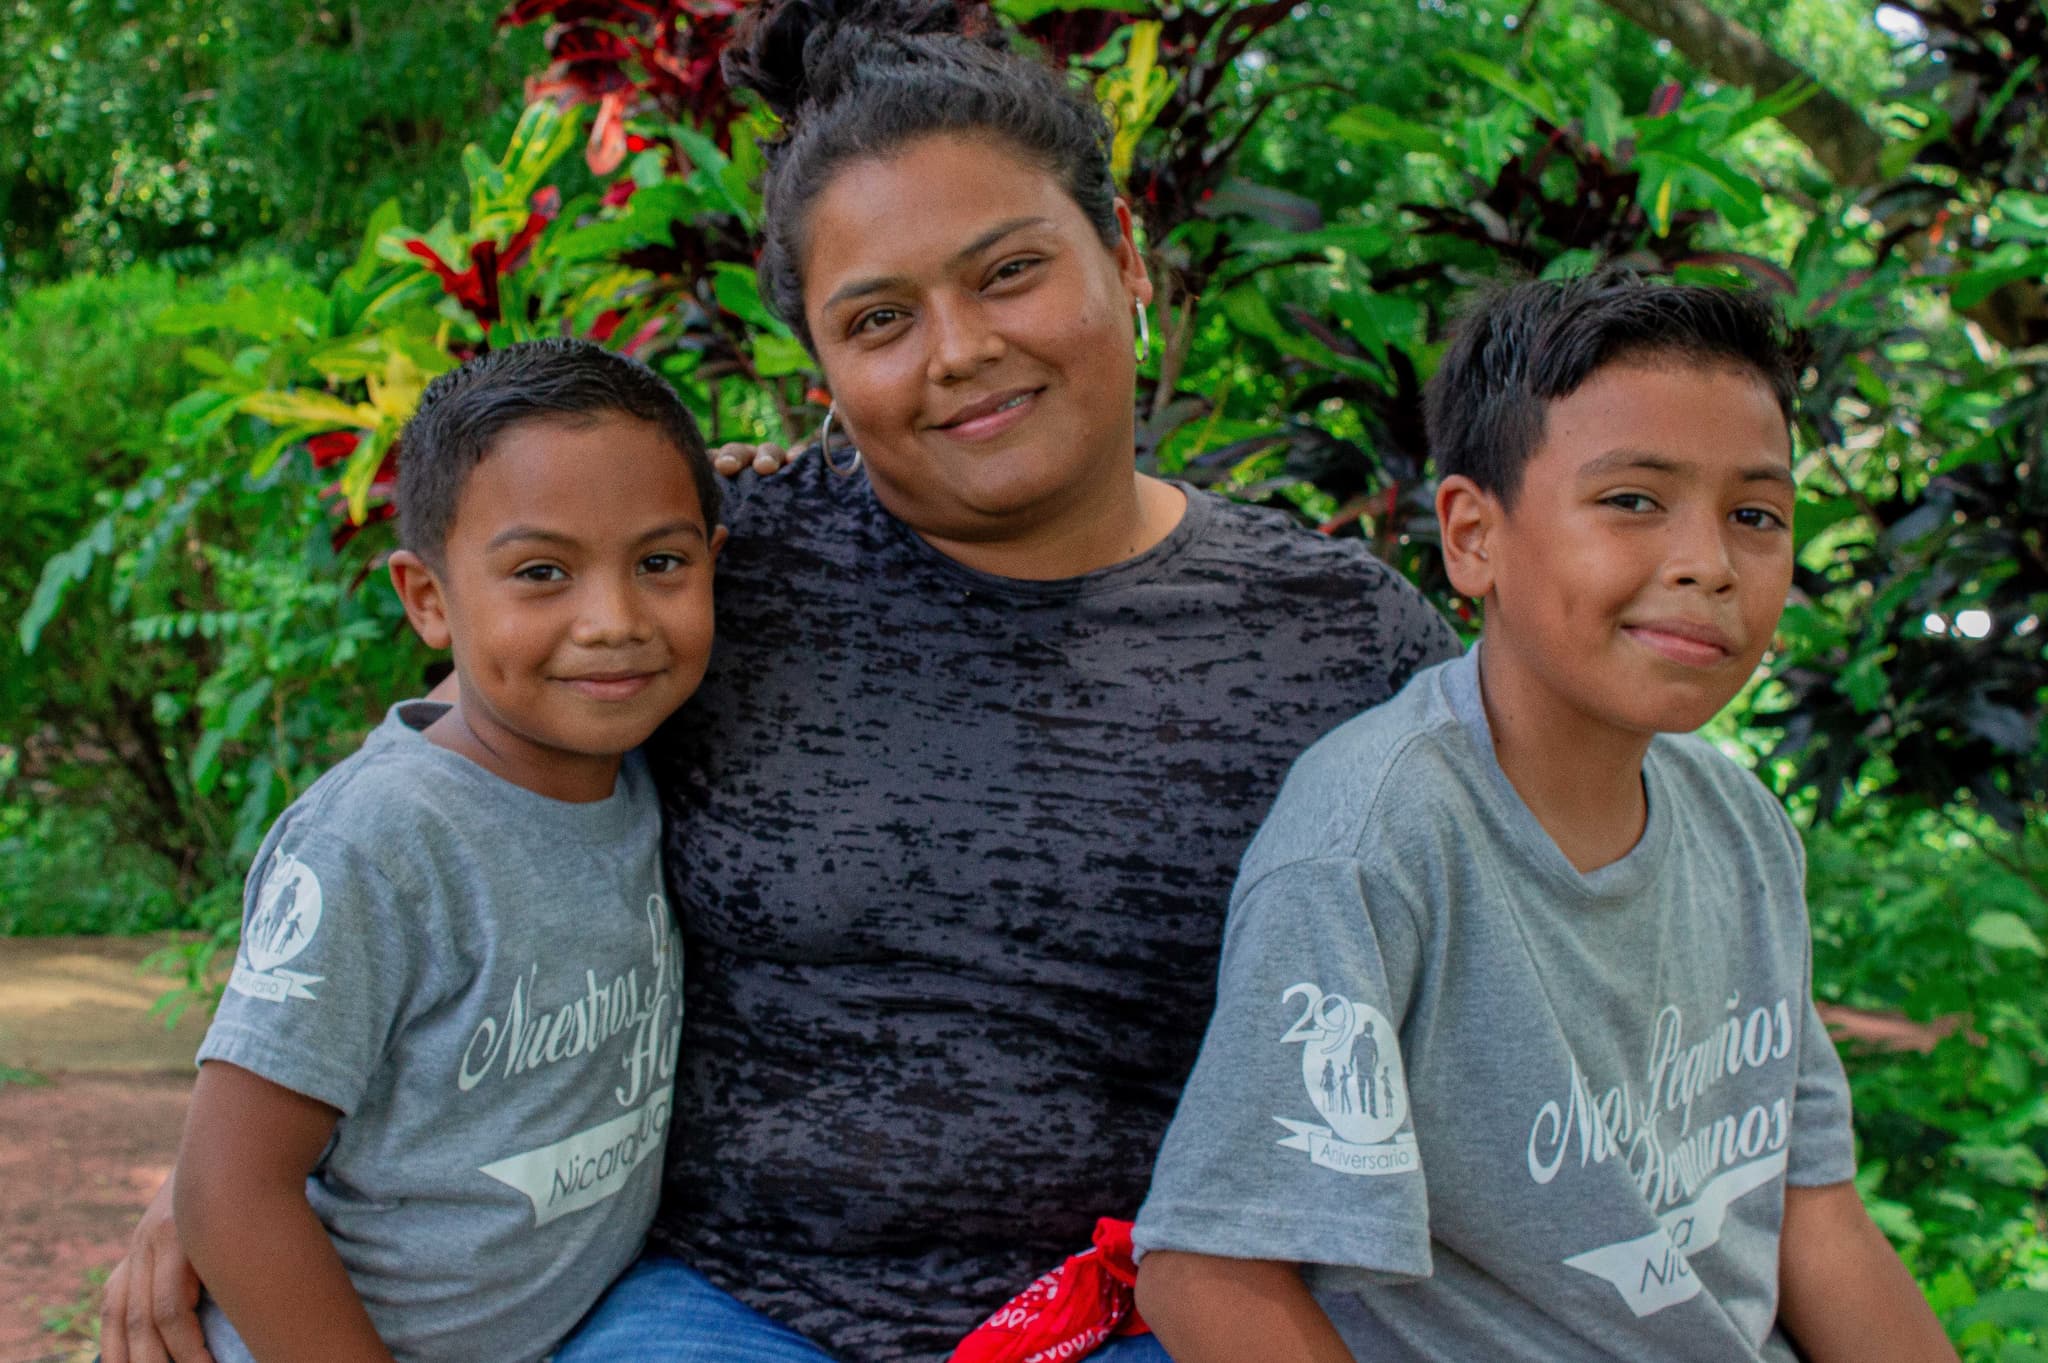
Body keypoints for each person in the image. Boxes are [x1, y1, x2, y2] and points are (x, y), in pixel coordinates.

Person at [99, 2, 1457, 1360]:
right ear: (819, 359)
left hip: (1136, 1309)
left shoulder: (1339, 641)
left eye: (1009, 273)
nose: (959, 349)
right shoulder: (709, 581)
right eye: (879, 317)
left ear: (1124, 256)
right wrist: (243, 1168)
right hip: (729, 1303)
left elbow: (1493, 968)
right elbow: (446, 817)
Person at [1129, 275, 1958, 1363]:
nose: (1706, 563)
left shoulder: (1741, 828)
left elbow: (1813, 1215)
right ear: (1471, 537)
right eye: (1631, 501)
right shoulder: (1374, 841)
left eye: (1753, 515)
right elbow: (1210, 1276)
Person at [168, 338, 724, 1363]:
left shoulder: (644, 770)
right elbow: (227, 1186)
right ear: (427, 599)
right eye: (541, 573)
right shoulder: (377, 842)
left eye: (659, 563)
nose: (612, 622)